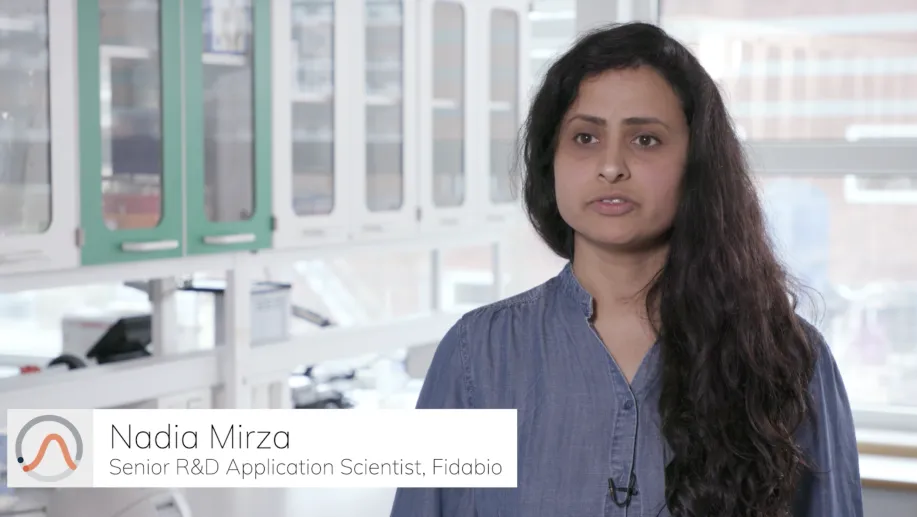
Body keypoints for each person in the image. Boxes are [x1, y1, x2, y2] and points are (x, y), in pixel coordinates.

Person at [389, 22, 863, 517]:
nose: (611, 165)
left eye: (646, 140)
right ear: (552, 160)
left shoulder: (787, 357)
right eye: (586, 137)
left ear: (697, 163)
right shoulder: (476, 356)